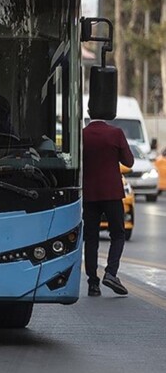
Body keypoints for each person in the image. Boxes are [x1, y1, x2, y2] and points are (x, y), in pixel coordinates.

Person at [83, 110, 135, 297]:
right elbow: (129, 161)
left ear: (89, 113)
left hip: (89, 194)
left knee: (91, 239)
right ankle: (111, 273)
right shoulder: (116, 133)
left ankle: (92, 284)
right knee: (118, 234)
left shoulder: (82, 135)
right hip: (112, 193)